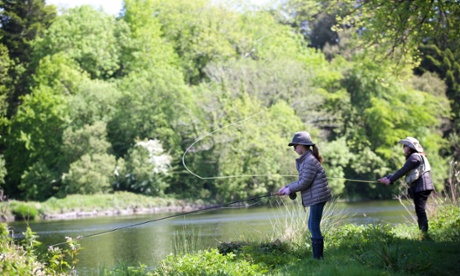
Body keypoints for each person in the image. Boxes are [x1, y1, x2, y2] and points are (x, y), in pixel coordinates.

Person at [277, 131, 332, 260]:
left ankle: (318, 259)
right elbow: (303, 180)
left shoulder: (309, 161)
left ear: (302, 145)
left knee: (313, 226)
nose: (294, 148)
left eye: (295, 146)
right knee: (312, 225)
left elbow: (305, 182)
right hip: (316, 196)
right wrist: (287, 187)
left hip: (318, 197)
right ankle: (318, 258)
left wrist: (289, 189)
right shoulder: (306, 160)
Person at [378, 137, 434, 233]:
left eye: (405, 146)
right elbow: (404, 171)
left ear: (410, 147)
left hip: (422, 186)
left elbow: (403, 171)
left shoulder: (414, 157)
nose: (403, 147)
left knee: (420, 211)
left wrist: (390, 180)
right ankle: (423, 233)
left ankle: (424, 234)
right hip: (422, 186)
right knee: (420, 210)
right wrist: (387, 178)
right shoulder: (417, 156)